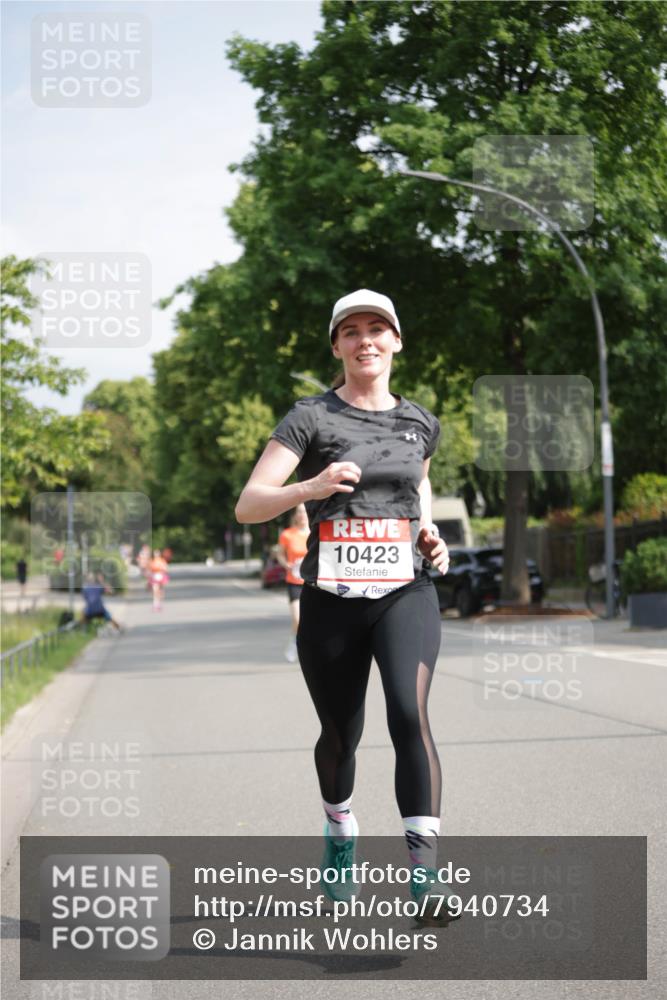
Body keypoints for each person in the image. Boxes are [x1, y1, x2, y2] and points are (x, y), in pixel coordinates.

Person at [235, 289, 457, 925]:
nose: (366, 340)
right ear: (337, 345)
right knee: (341, 735)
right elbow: (250, 503)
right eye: (352, 331)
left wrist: (430, 536)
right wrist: (311, 485)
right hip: (330, 597)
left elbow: (419, 498)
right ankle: (340, 830)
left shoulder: (420, 423)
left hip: (405, 591)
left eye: (378, 329)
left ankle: (425, 875)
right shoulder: (310, 417)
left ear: (396, 341)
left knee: (409, 715)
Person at [275, 503, 310, 662]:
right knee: (297, 618)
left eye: (304, 511)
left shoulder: (316, 532)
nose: (302, 515)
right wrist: (285, 564)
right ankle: (293, 642)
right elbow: (280, 554)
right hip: (294, 581)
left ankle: (309, 648)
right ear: (295, 515)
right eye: (299, 512)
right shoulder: (288, 535)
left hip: (312, 582)